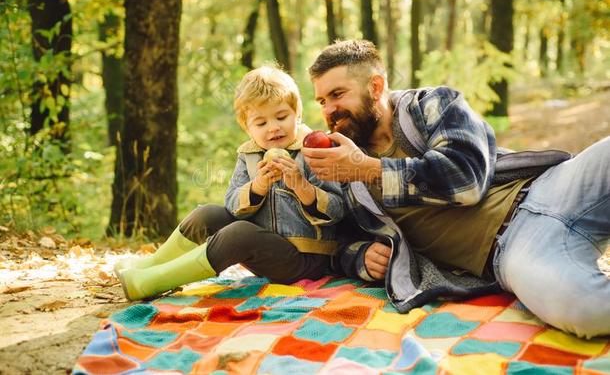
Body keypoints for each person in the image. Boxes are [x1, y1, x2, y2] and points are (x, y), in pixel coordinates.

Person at [301, 39, 610, 339]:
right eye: (322, 101)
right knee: (587, 310)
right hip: (515, 252)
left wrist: (369, 169)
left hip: (552, 188)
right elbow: (335, 243)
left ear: (376, 86)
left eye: (338, 94)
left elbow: (467, 179)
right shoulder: (338, 167)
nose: (330, 109)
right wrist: (361, 255)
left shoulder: (431, 105)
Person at [115, 65, 345, 301]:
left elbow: (337, 209)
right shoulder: (250, 156)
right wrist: (258, 187)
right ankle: (150, 265)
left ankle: (151, 282)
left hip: (306, 258)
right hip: (264, 250)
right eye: (261, 123)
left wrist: (301, 186)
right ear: (247, 127)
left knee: (240, 232)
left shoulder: (314, 150)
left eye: (281, 117)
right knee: (208, 213)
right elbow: (232, 204)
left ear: (297, 114)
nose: (274, 127)